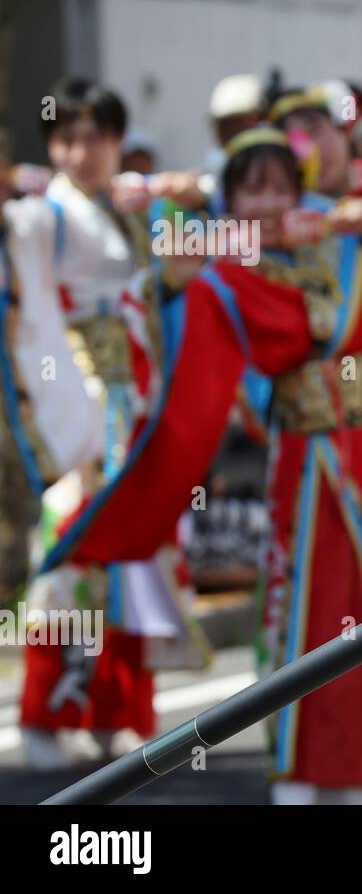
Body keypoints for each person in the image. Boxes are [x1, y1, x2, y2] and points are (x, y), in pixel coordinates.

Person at [43, 126, 362, 803]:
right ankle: (313, 774)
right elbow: (161, 307)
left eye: (281, 184)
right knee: (313, 625)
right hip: (305, 466)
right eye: (250, 188)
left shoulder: (355, 238)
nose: (268, 201)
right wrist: (188, 236)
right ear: (228, 201)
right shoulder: (225, 277)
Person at [1, 78, 204, 770]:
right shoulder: (41, 215)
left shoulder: (124, 213)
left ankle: (117, 714)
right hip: (77, 409)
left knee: (130, 558)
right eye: (66, 138)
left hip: (130, 403)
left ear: (118, 142)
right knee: (66, 561)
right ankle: (45, 718)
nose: (80, 151)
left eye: (95, 137)